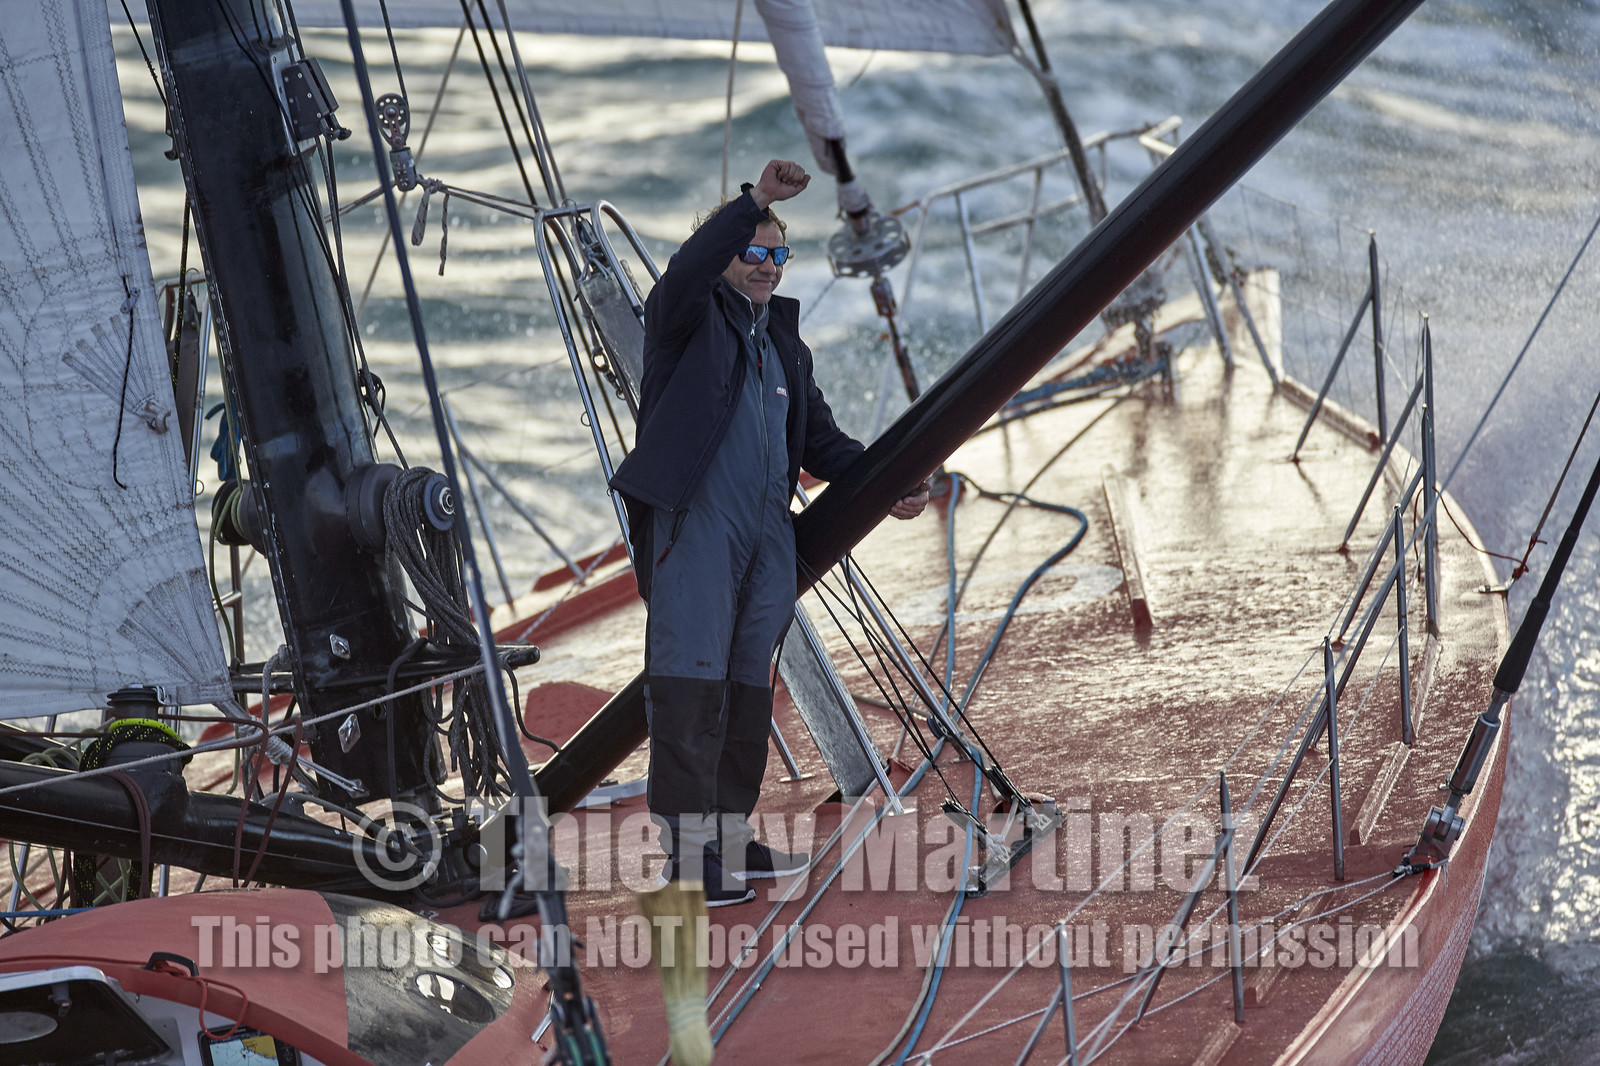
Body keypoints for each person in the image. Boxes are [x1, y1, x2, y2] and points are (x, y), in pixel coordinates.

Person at [609, 159, 929, 905]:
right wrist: (754, 201)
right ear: (723, 255)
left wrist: (889, 486)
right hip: (697, 531)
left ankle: (728, 839)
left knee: (747, 691)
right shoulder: (683, 322)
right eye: (752, 251)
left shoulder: (783, 344)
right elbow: (682, 273)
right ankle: (687, 863)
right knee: (689, 688)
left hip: (764, 539)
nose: (766, 266)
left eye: (778, 255)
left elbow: (823, 442)